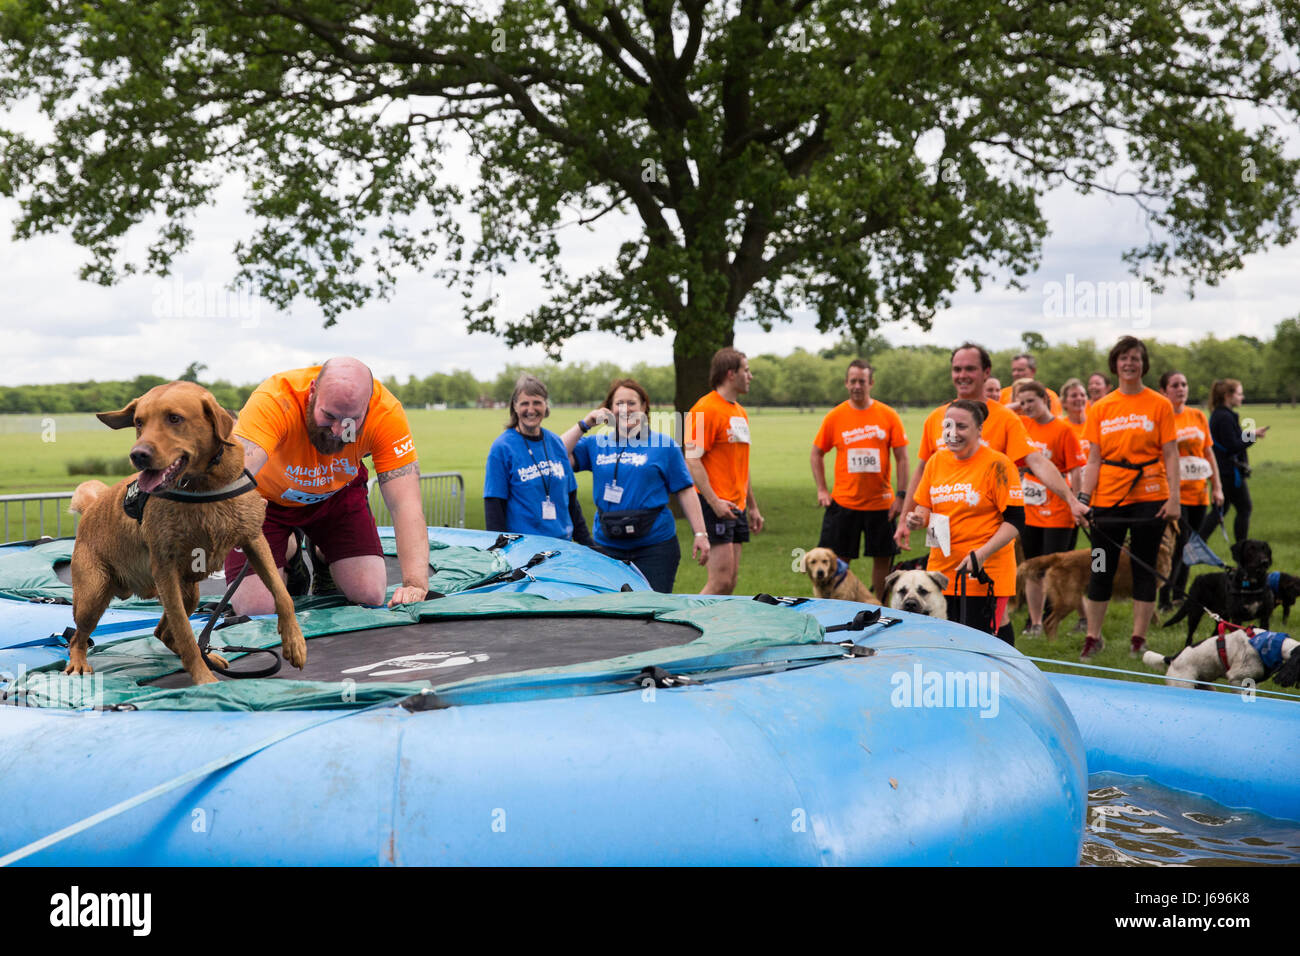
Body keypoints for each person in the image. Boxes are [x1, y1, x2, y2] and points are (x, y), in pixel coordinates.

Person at [896, 342, 1088, 642]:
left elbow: (1036, 461)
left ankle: (1004, 669)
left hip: (988, 548)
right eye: (957, 368)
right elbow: (923, 471)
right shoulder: (935, 418)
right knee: (949, 630)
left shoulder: (1006, 419)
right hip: (944, 550)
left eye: (970, 368)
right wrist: (906, 519)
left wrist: (1071, 499)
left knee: (987, 628)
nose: (962, 375)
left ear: (986, 373)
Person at [228, 357, 430, 613]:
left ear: (368, 408)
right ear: (312, 392)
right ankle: (289, 552)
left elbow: (405, 503)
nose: (337, 430)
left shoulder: (386, 414)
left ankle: (324, 552)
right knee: (256, 609)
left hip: (336, 496)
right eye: (329, 415)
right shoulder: (276, 398)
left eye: (350, 421)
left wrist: (414, 583)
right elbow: (237, 473)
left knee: (370, 593)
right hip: (267, 501)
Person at [1077, 336, 1179, 661]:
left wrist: (1174, 498)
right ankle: (1093, 637)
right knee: (1100, 566)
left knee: (1144, 567)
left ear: (1143, 363)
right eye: (1123, 358)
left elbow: (1171, 454)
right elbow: (1093, 459)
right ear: (1115, 364)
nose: (1129, 363)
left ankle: (1139, 638)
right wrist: (1083, 498)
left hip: (1151, 494)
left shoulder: (1159, 404)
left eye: (1135, 358)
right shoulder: (1102, 407)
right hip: (1108, 498)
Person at [560, 378, 709, 591]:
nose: (625, 409)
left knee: (652, 611)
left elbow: (685, 490)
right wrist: (585, 424)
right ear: (609, 409)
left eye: (632, 403)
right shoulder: (596, 444)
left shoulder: (664, 445)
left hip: (655, 547)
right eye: (619, 403)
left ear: (644, 407)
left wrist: (700, 534)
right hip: (606, 547)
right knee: (610, 611)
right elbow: (556, 455)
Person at [895, 400, 1024, 637]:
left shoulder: (998, 464)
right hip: (940, 573)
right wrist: (916, 520)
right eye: (948, 426)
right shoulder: (936, 461)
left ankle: (1007, 673)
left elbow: (1015, 521)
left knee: (983, 642)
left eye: (961, 427)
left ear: (979, 430)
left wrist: (982, 554)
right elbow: (926, 507)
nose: (953, 433)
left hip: (982, 572)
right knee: (946, 640)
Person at [810, 360, 909, 597]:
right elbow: (816, 453)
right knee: (837, 561)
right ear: (846, 383)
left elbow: (902, 458)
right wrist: (822, 490)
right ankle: (837, 607)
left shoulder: (888, 415)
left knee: (882, 559)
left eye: (862, 381)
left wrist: (901, 496)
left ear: (871, 383)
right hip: (844, 502)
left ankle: (881, 606)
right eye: (852, 381)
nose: (857, 386)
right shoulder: (836, 416)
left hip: (881, 504)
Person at [685, 347, 764, 594]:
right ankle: (685, 624)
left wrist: (752, 506)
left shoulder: (739, 412)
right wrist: (714, 501)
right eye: (746, 370)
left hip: (736, 507)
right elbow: (692, 459)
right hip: (714, 504)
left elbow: (741, 463)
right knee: (718, 582)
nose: (750, 376)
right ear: (731, 373)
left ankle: (717, 629)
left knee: (729, 582)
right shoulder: (704, 408)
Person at [484, 374, 592, 545]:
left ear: (545, 405)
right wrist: (499, 551)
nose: (531, 409)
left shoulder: (556, 443)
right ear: (515, 407)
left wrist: (588, 544)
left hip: (562, 547)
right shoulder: (502, 448)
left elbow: (571, 500)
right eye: (524, 403)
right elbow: (494, 506)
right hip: (522, 549)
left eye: (537, 402)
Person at [1015, 380, 1087, 635]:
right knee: (1033, 567)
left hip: (1058, 511)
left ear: (1045, 400)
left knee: (1056, 570)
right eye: (1021, 402)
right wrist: (1019, 405)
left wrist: (1076, 502)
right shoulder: (1022, 424)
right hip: (1031, 509)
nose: (1025, 407)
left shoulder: (1063, 430)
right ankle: (1034, 622)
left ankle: (1068, 616)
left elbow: (1076, 470)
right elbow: (1000, 414)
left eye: (1031, 401)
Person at [1158, 371, 1225, 611]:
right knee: (1176, 546)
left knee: (1190, 546)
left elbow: (1208, 453)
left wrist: (1216, 486)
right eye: (1175, 385)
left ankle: (1179, 595)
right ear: (1164, 391)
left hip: (1199, 491)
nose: (1181, 389)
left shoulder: (1197, 416)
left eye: (1184, 384)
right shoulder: (1163, 417)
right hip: (1175, 494)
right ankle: (1163, 597)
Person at [1198, 378, 1267, 545]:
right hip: (1229, 472)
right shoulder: (1224, 417)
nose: (1242, 397)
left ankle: (1197, 543)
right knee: (1244, 508)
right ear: (1228, 395)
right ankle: (1242, 549)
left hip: (1224, 470)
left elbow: (1231, 440)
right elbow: (1232, 445)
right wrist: (1252, 437)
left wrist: (1253, 433)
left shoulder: (1222, 415)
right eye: (1239, 393)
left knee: (1220, 510)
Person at [1060, 378, 1090, 456]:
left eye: (1082, 395)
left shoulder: (1095, 422)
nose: (1079, 398)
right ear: (1064, 402)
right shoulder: (1061, 427)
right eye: (1074, 396)